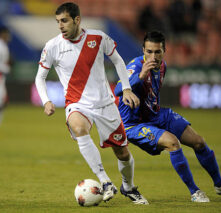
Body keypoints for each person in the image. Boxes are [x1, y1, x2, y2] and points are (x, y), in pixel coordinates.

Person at [35, 2, 148, 205]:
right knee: (79, 127)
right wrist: (46, 101)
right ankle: (105, 181)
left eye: (64, 20)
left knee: (122, 152)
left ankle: (129, 187)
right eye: (57, 21)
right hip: (77, 103)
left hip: (105, 104)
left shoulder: (98, 37)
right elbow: (40, 77)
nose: (60, 25)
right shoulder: (52, 46)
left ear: (77, 20)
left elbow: (118, 61)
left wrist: (127, 88)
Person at [114, 31, 221, 202]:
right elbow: (119, 90)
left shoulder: (163, 67)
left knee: (198, 141)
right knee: (173, 143)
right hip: (134, 123)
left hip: (156, 114)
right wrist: (140, 76)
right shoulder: (135, 67)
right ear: (143, 50)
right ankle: (195, 192)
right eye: (149, 52)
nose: (153, 56)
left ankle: (220, 184)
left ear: (164, 51)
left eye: (157, 52)